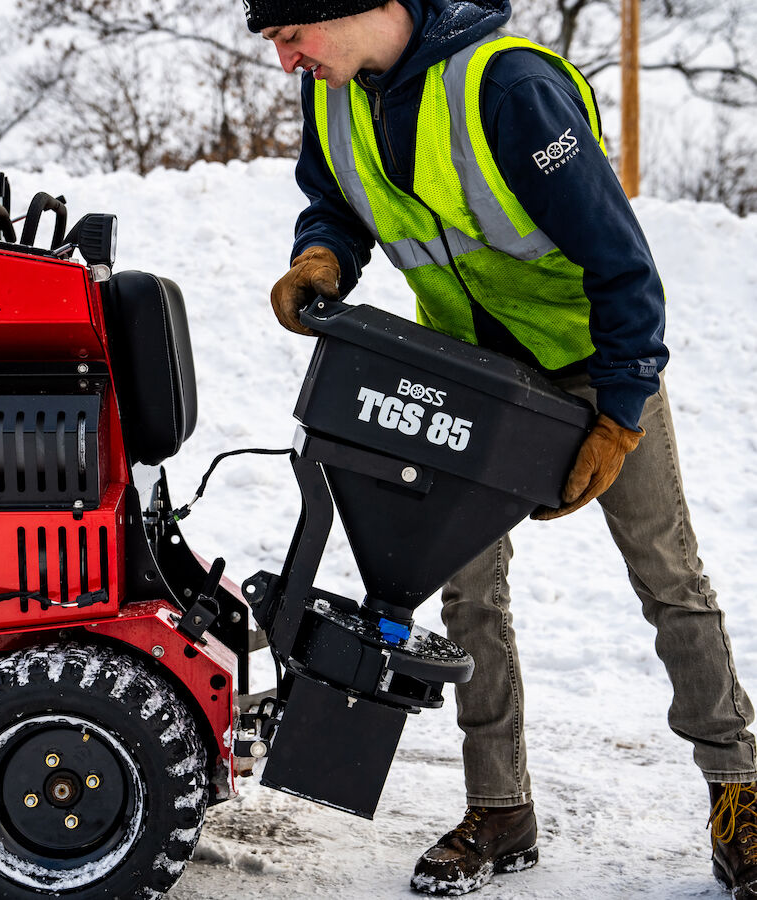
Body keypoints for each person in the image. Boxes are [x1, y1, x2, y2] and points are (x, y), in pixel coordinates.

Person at [242, 0, 757, 895]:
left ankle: (739, 791)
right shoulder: (333, 97)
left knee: (668, 576)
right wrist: (321, 255)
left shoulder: (508, 86)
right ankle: (500, 809)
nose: (287, 60)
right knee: (468, 588)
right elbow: (334, 201)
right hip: (474, 376)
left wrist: (622, 411)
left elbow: (623, 262)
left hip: (592, 363)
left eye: (292, 36)